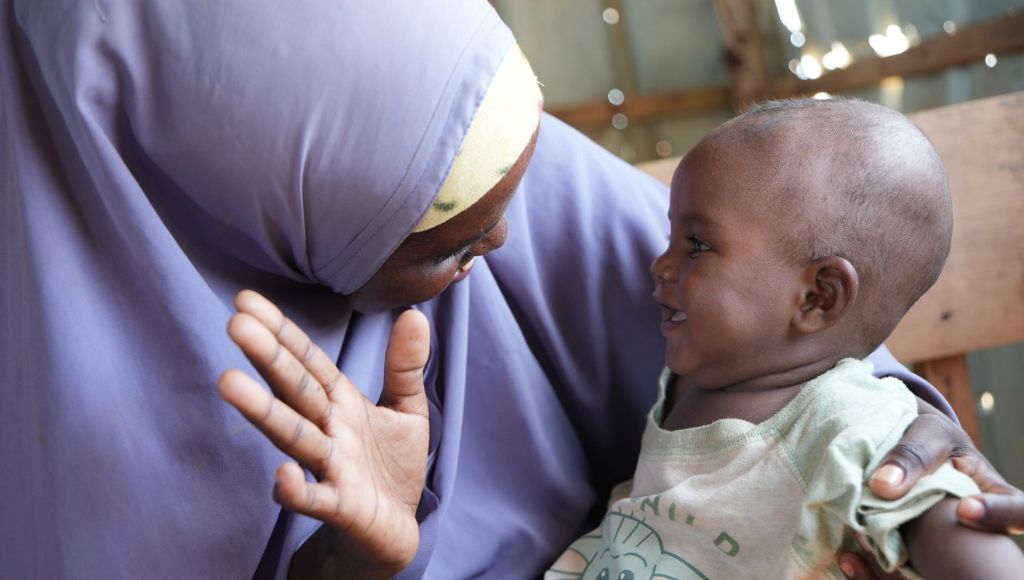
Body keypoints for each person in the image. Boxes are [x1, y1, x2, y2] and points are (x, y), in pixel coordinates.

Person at [1, 1, 1020, 578]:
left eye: (513, 206)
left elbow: (813, 348)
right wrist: (369, 550)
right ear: (264, 199)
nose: (504, 242)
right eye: (438, 250)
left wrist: (911, 450)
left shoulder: (456, 137)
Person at [546, 98, 1024, 579]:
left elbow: (968, 539)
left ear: (818, 297)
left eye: (696, 245)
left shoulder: (852, 431)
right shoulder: (705, 379)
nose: (660, 264)